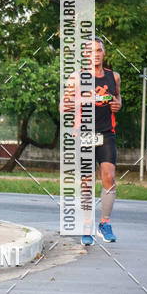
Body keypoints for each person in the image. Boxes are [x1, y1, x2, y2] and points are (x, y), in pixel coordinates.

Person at [61, 37, 122, 246]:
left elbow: (118, 98)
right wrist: (82, 100)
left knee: (109, 176)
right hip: (84, 133)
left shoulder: (114, 77)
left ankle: (104, 223)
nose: (95, 54)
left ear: (104, 53)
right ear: (85, 55)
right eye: (90, 51)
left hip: (107, 133)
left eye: (98, 50)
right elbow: (63, 107)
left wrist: (118, 104)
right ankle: (86, 226)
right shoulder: (76, 78)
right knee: (86, 182)